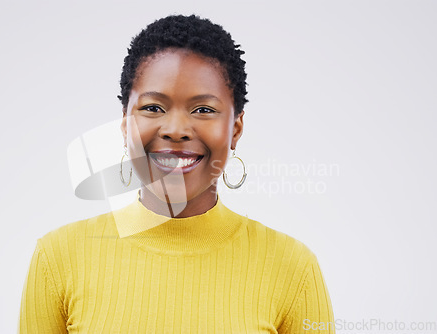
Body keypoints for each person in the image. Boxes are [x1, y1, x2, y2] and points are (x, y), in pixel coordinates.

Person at [18, 14, 335, 333]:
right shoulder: (57, 258)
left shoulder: (293, 269)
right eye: (153, 108)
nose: (176, 130)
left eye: (203, 110)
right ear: (126, 125)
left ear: (235, 129)